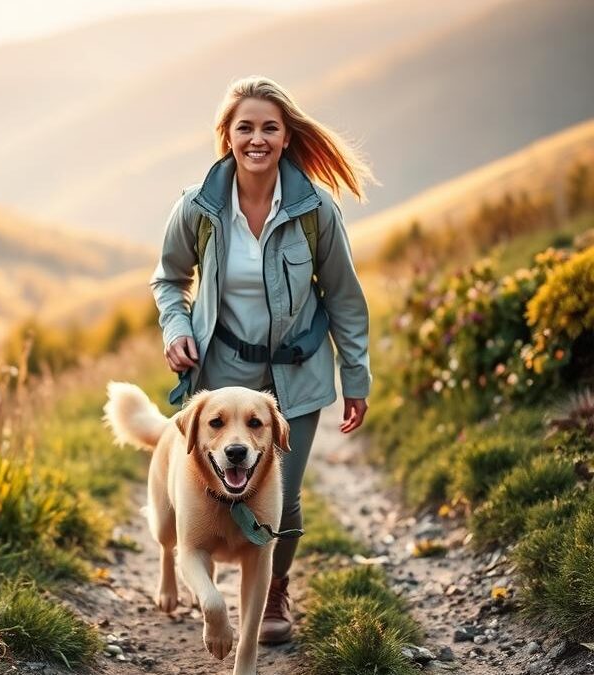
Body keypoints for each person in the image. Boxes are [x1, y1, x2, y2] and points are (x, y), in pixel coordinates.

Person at [150, 75, 373, 644]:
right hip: (223, 370)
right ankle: (210, 579)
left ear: (286, 135)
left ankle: (273, 589)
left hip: (297, 372)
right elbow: (168, 280)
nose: (257, 138)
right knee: (215, 485)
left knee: (284, 495)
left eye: (269, 127)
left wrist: (355, 376)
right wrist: (176, 328)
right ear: (227, 136)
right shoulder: (197, 208)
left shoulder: (313, 210)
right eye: (244, 127)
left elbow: (345, 297)